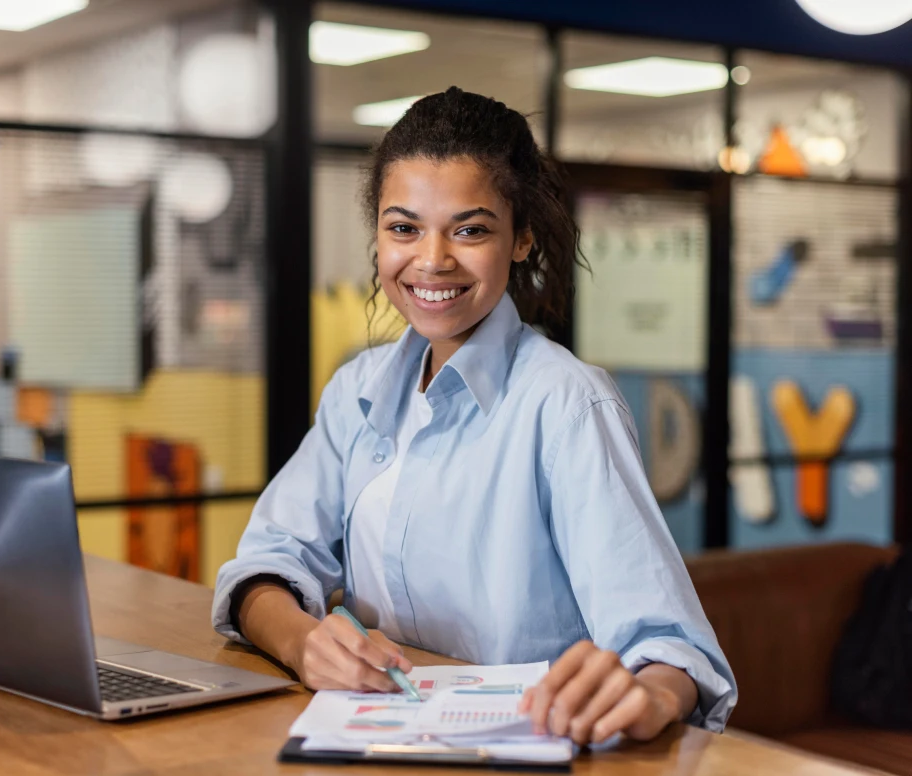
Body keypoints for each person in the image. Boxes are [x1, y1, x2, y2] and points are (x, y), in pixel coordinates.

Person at [212, 87, 736, 745]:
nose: (432, 259)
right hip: (377, 739)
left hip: (528, 750)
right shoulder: (357, 392)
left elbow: (671, 649)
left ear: (520, 240)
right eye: (403, 227)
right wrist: (303, 642)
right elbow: (264, 564)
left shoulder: (567, 405)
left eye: (470, 229)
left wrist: (647, 691)